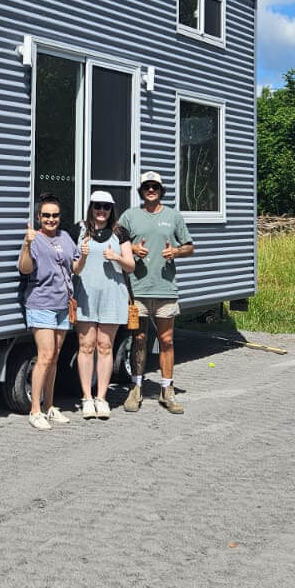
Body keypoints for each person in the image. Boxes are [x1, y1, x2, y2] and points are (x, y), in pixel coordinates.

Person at [118, 171, 194, 414]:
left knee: (167, 341)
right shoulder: (130, 216)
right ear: (141, 190)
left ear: (161, 190)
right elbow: (114, 239)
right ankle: (136, 389)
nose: (151, 190)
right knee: (138, 340)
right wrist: (130, 246)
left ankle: (166, 391)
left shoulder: (173, 216)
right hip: (137, 289)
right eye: (146, 186)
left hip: (165, 289)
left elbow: (189, 247)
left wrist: (176, 253)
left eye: (155, 186)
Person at [17, 193, 83, 430]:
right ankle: (35, 410)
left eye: (54, 215)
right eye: (46, 215)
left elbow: (75, 267)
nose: (51, 219)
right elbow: (24, 269)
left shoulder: (65, 237)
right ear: (39, 217)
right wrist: (26, 244)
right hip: (40, 303)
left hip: (63, 305)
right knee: (44, 356)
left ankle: (50, 407)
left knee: (54, 357)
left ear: (60, 217)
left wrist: (83, 255)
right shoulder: (34, 239)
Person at [73, 190, 135, 419]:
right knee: (86, 345)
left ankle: (102, 397)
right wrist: (83, 256)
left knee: (105, 346)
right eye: (97, 206)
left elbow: (131, 266)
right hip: (86, 296)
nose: (101, 211)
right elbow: (73, 269)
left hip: (112, 296)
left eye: (106, 207)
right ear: (90, 207)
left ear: (112, 210)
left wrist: (117, 257)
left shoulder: (120, 233)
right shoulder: (78, 230)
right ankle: (87, 398)